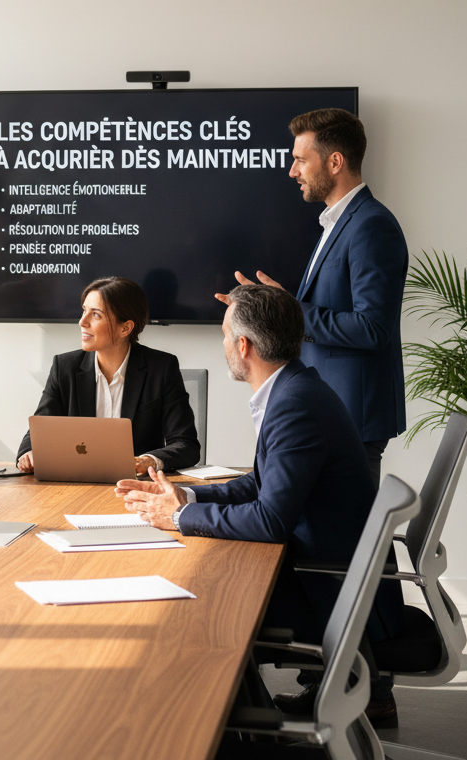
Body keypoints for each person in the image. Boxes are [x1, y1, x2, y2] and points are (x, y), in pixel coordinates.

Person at [117, 283, 404, 726]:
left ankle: (234, 735)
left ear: (244, 345)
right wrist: (187, 496)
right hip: (328, 570)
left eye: (225, 336)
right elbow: (261, 484)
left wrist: (176, 517)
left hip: (328, 589)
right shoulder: (296, 389)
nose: (225, 345)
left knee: (204, 603)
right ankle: (250, 728)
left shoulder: (294, 405)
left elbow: (270, 519)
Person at [218, 108, 408, 489]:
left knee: (350, 543)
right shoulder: (338, 222)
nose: (293, 171)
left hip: (354, 415)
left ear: (335, 162)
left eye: (301, 160)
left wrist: (292, 311)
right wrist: (281, 305)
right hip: (336, 409)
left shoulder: (371, 225)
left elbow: (373, 328)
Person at [16, 277, 200, 475]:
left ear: (125, 328)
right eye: (84, 310)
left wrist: (150, 461)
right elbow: (37, 433)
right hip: (75, 484)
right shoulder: (64, 368)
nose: (82, 322)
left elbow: (186, 445)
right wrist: (29, 453)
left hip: (136, 487)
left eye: (95, 315)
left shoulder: (161, 368)